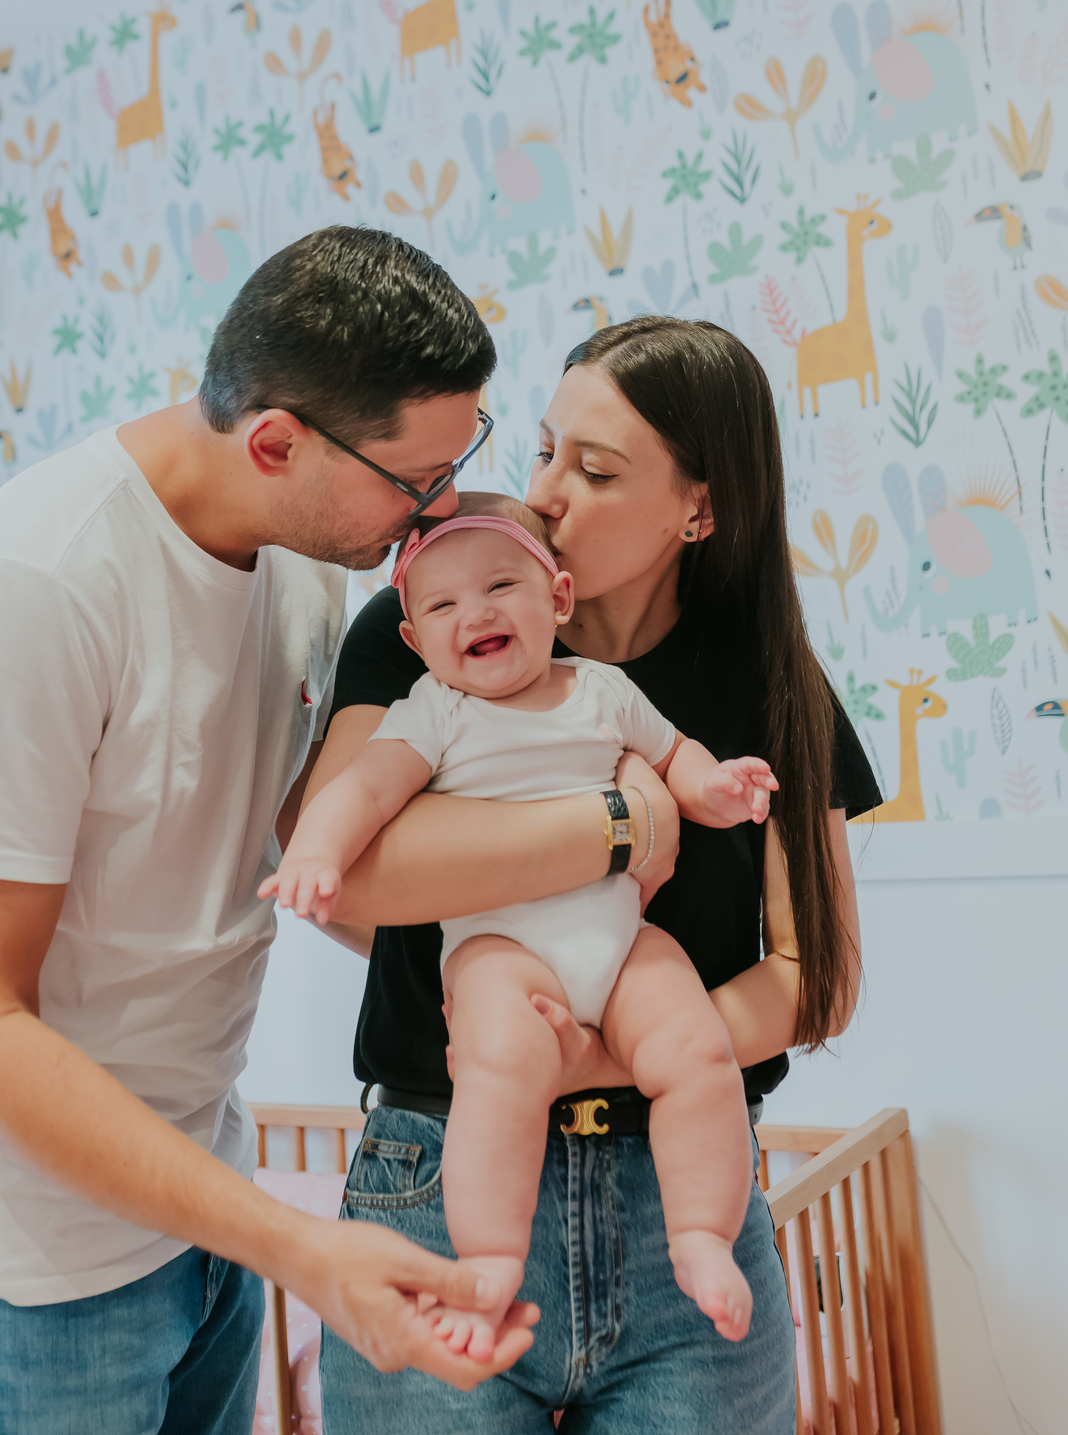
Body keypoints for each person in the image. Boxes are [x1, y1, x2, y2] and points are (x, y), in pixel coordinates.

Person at [0, 227, 541, 1435]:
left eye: (461, 464)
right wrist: (296, 1247)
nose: (437, 513)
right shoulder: (30, 589)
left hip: (199, 1210)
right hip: (27, 1278)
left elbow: (285, 865)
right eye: (416, 484)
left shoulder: (300, 559)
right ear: (278, 441)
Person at [311, 315, 882, 1433]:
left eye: (597, 469)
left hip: (689, 1194)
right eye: (542, 451)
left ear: (699, 510)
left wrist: (600, 1057)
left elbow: (819, 978)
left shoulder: (767, 678)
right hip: (438, 1183)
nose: (548, 495)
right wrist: (620, 823)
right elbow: (350, 878)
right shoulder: (427, 622)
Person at [264, 495, 780, 1356]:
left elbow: (673, 755)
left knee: (695, 1051)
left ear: (559, 599)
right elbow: (360, 792)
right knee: (501, 1069)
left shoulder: (604, 691)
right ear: (416, 639)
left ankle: (699, 1234)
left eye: (502, 584)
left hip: (622, 937)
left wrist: (715, 789)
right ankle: (491, 1261)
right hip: (500, 946)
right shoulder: (434, 710)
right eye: (442, 605)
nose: (478, 612)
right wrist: (317, 852)